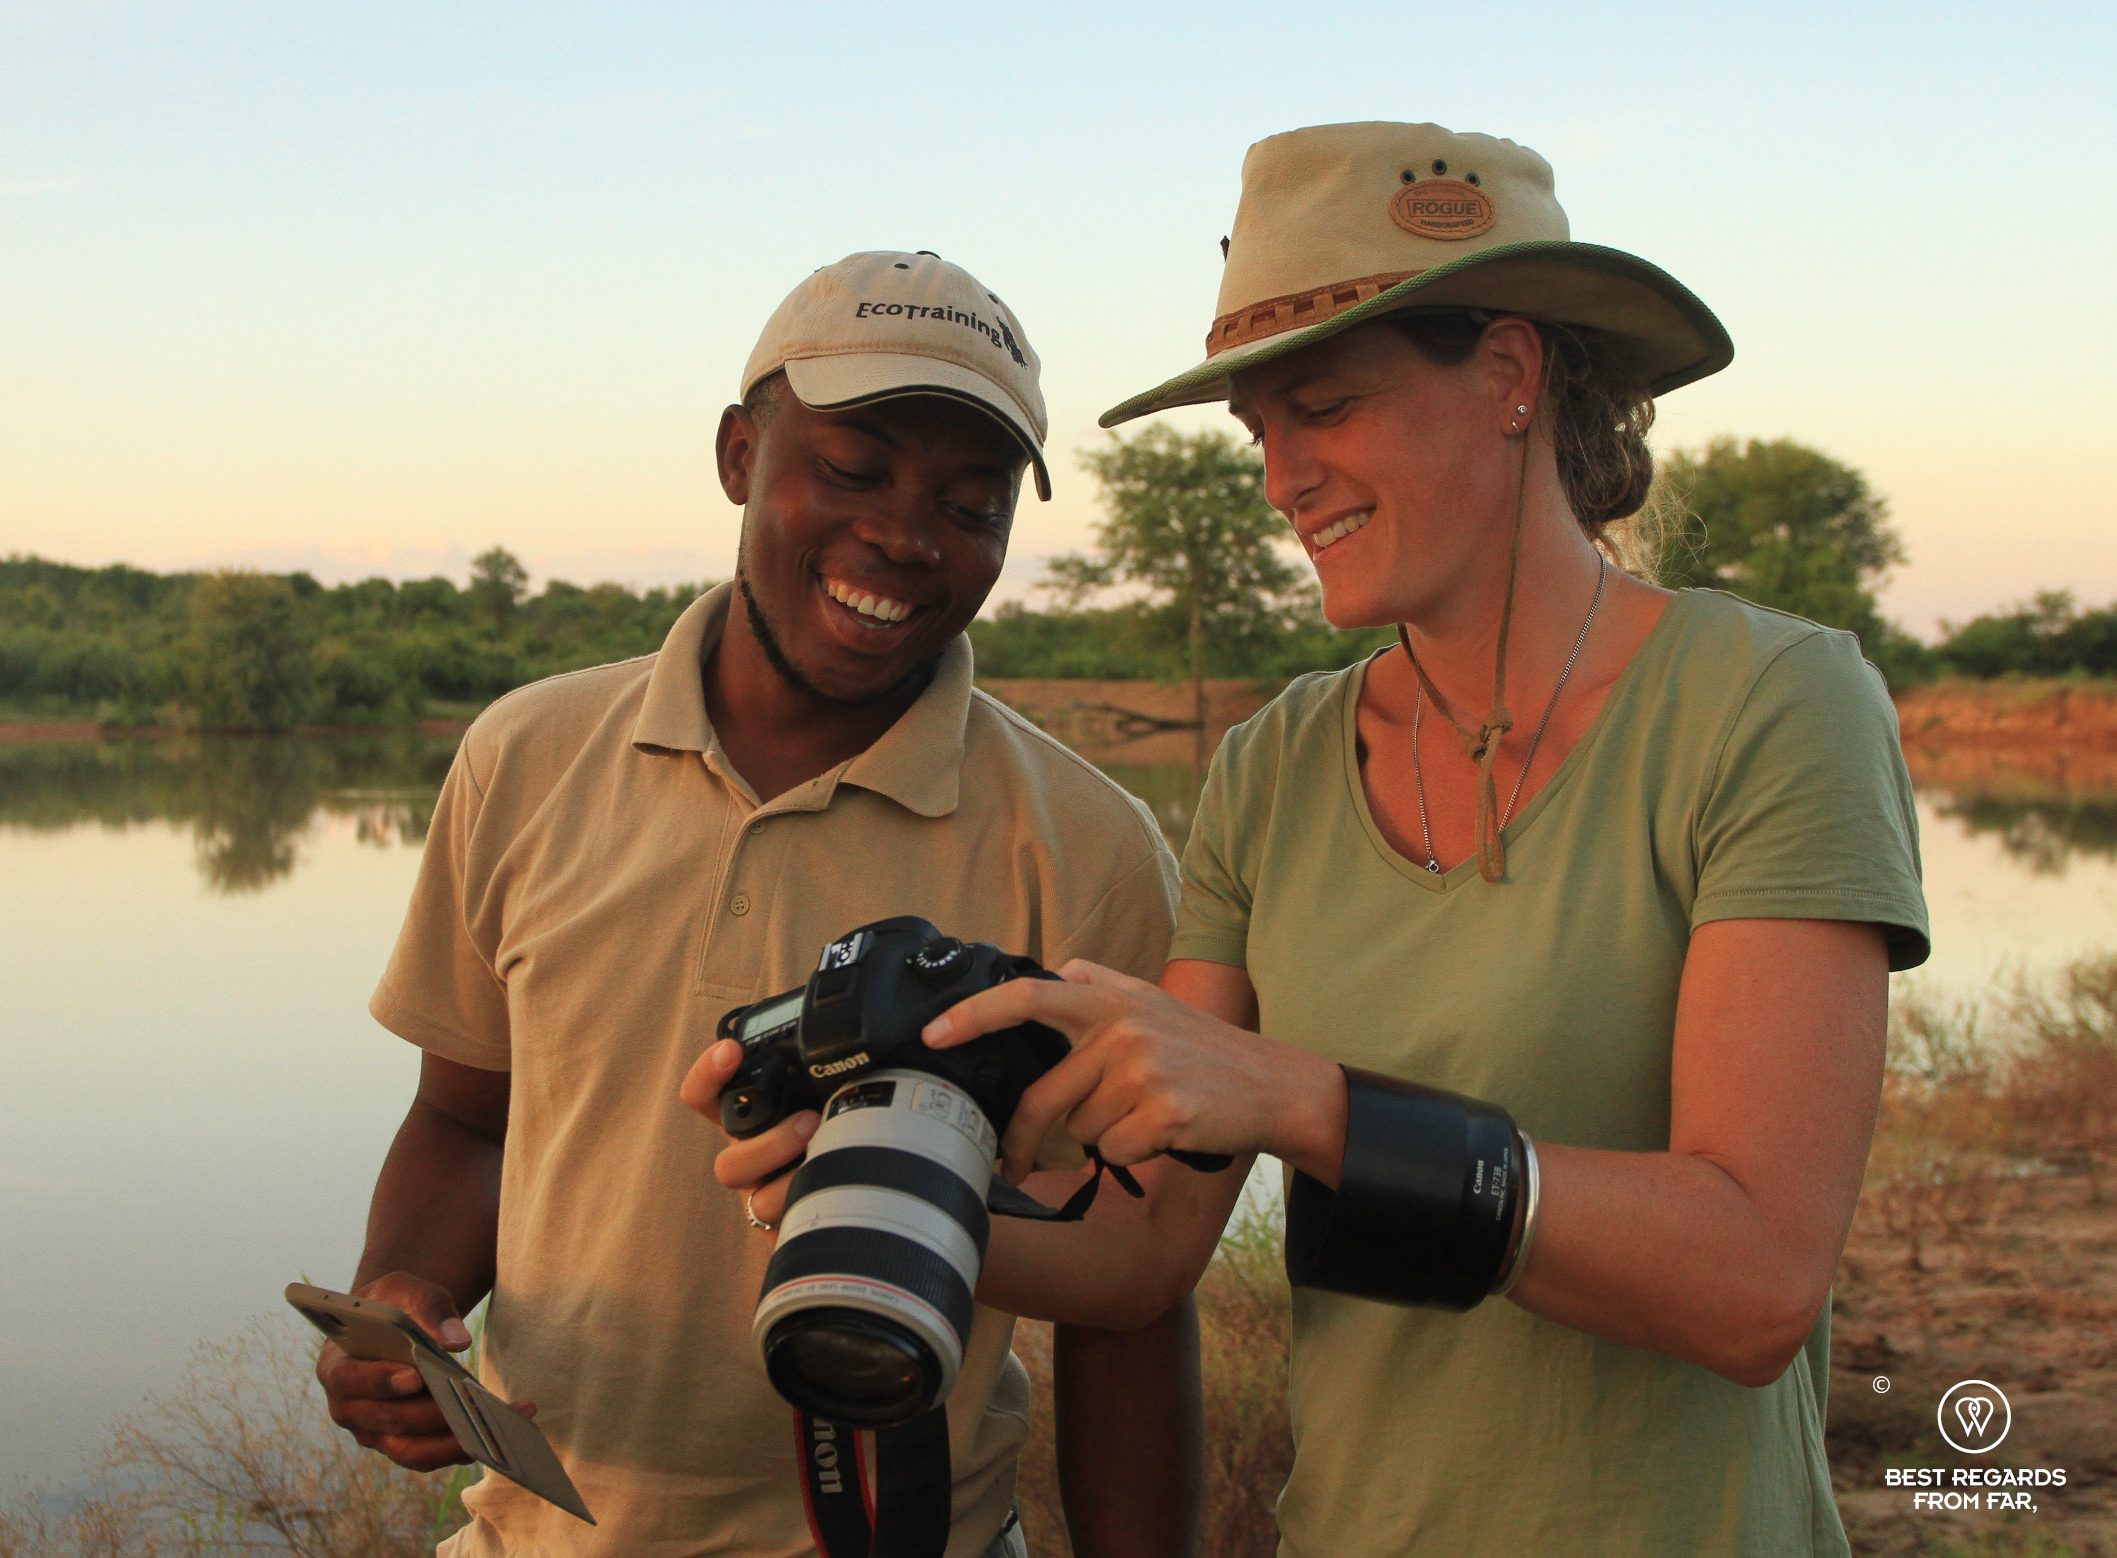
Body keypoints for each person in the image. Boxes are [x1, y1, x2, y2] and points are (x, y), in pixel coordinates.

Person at [905, 123, 1932, 1555]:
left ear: (1510, 375)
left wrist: (1308, 1103)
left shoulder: (1767, 703)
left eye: (1322, 407)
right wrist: (884, 1194)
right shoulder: (1271, 770)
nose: (1279, 478)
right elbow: (1141, 1245)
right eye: (1259, 432)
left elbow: (1754, 1277)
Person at [316, 250, 1202, 1558]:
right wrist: (408, 1301)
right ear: (739, 453)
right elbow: (465, 1116)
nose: (905, 536)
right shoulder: (525, 756)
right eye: (852, 471)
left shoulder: (1091, 848)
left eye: (969, 500)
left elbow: (1128, 1296)